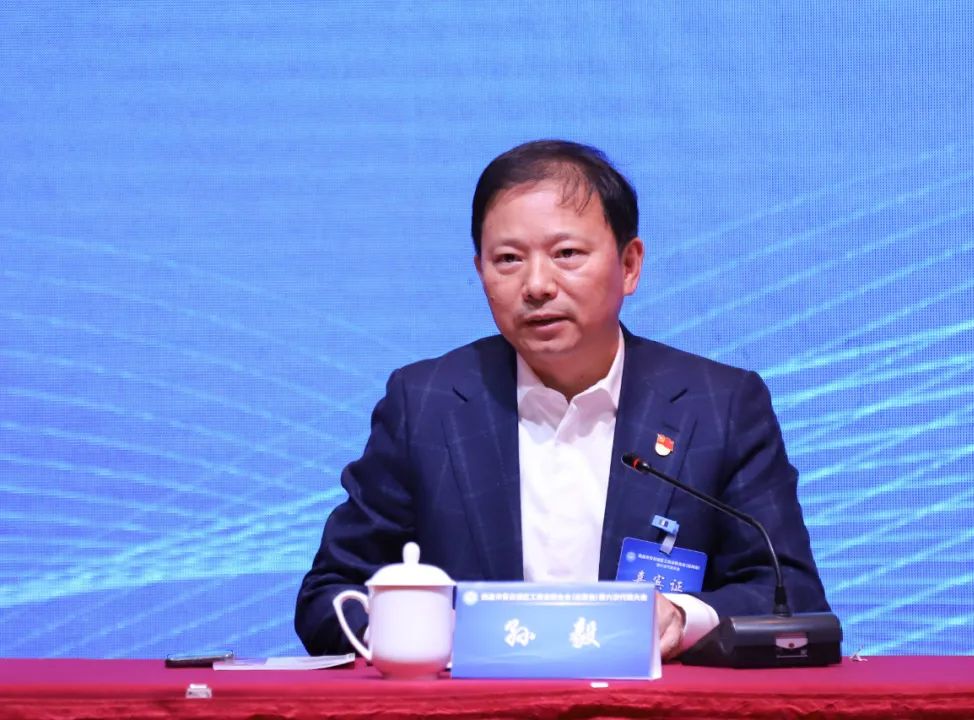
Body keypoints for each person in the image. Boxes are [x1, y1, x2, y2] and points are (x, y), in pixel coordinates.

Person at [295, 139, 829, 660]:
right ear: (480, 272)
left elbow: (791, 597)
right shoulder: (427, 404)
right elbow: (328, 596)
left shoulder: (718, 405)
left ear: (629, 265)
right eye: (508, 259)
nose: (536, 285)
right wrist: (422, 633)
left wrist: (682, 617)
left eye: (566, 254)